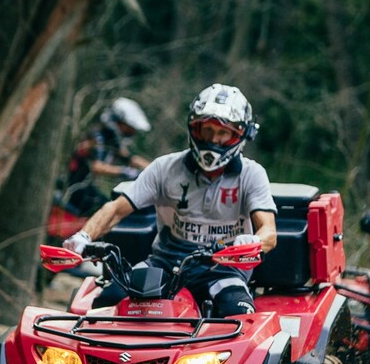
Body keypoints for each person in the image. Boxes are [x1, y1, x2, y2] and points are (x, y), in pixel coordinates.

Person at [61, 83, 277, 317]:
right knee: (105, 302)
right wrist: (84, 236)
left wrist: (252, 242)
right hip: (164, 264)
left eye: (223, 133)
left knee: (240, 315)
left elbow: (269, 232)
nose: (213, 141)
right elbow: (115, 209)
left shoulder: (252, 174)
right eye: (207, 130)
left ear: (240, 135)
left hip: (224, 269)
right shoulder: (165, 168)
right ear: (194, 129)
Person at [62, 97, 153, 216]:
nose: (131, 132)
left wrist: (155, 169)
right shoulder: (98, 135)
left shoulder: (111, 139)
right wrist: (125, 171)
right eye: (129, 127)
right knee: (113, 212)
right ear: (119, 122)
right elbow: (97, 167)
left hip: (87, 188)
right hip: (75, 188)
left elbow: (130, 158)